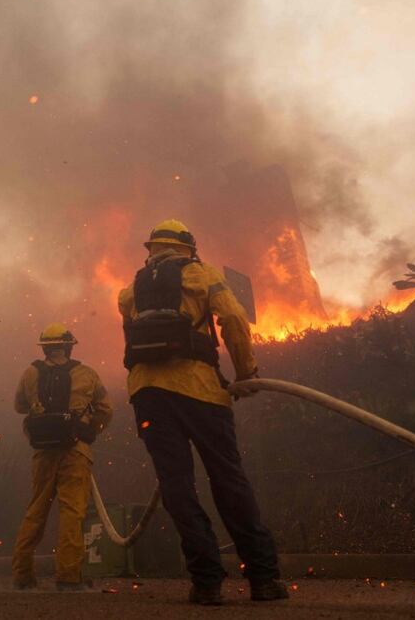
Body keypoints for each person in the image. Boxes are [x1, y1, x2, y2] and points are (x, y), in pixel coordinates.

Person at [118, 219, 287, 606]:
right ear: (188, 248)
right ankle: (262, 579)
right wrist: (246, 373)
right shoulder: (201, 274)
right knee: (228, 480)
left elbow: (134, 340)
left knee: (177, 487)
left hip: (148, 395)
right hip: (202, 393)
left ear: (152, 250)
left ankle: (207, 582)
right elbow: (233, 319)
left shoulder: (131, 291)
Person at [11, 323, 113, 591]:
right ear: (69, 346)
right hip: (75, 451)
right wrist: (89, 431)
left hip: (43, 452)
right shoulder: (86, 374)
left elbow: (19, 406)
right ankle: (68, 577)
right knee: (72, 511)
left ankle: (22, 575)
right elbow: (106, 410)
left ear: (44, 347)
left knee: (36, 510)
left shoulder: (30, 373)